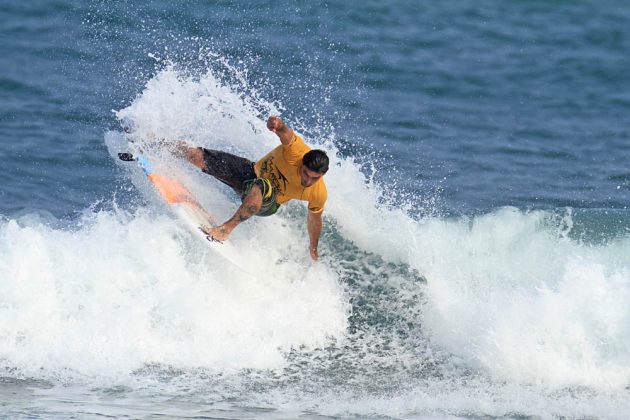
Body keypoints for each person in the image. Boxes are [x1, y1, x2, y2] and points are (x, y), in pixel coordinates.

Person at [176, 116, 329, 261]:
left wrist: (313, 247)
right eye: (305, 174)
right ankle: (158, 144)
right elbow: (285, 132)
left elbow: (314, 220)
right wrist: (278, 124)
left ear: (322, 174)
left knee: (261, 186)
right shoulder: (296, 151)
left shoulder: (318, 193)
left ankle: (225, 230)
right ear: (301, 163)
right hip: (251, 173)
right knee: (196, 155)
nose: (308, 180)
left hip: (270, 202)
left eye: (315, 178)